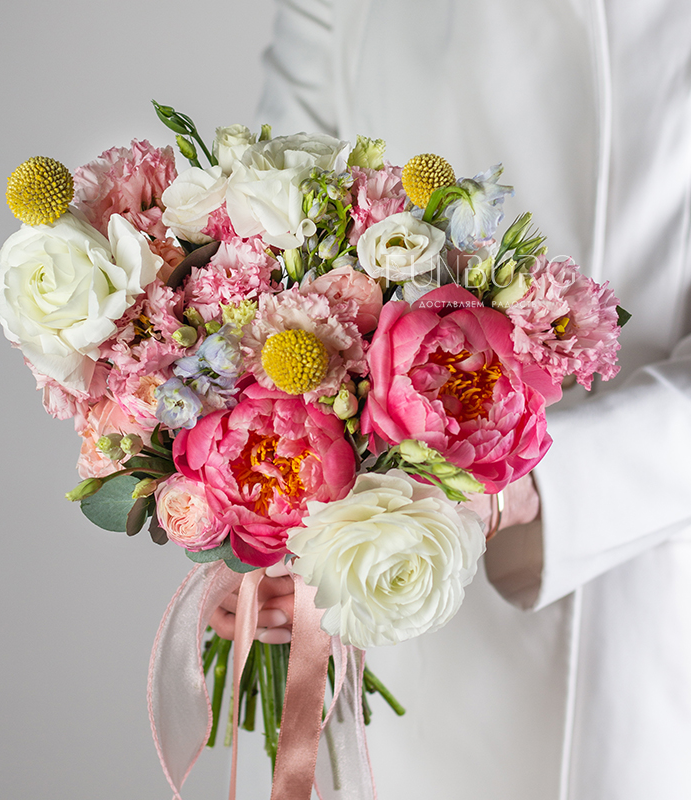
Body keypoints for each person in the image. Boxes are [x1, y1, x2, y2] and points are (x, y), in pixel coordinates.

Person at [214, 1, 691, 797]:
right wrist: (267, 523)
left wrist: (511, 489)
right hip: (376, 600)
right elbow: (273, 242)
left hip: (624, 588)